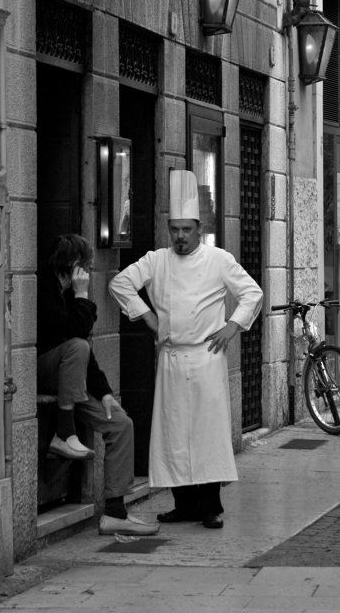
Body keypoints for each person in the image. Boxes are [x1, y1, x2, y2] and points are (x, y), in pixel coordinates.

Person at [109, 170, 263, 529]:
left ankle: (210, 506)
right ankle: (183, 505)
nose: (179, 236)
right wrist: (148, 318)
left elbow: (251, 292)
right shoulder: (157, 260)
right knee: (174, 434)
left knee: (207, 434)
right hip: (173, 358)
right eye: (174, 229)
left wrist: (232, 326)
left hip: (207, 358)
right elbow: (121, 284)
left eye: (186, 229)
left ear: (198, 227)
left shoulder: (218, 259)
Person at [37, 233, 159, 537]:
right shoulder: (44, 290)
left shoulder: (68, 294)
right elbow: (73, 336)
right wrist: (81, 296)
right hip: (44, 371)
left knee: (121, 423)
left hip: (73, 384)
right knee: (77, 346)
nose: (88, 273)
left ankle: (116, 512)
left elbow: (86, 352)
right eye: (86, 267)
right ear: (74, 265)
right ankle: (65, 432)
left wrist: (104, 393)